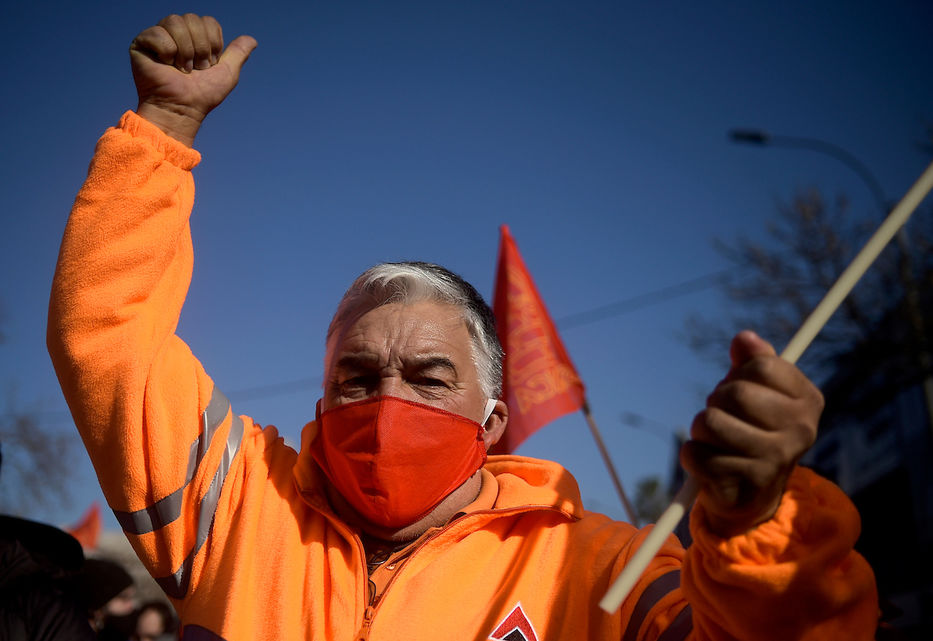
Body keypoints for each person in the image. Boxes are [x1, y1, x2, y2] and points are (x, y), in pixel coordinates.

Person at [47, 13, 879, 641]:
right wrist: (162, 132)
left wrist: (754, 524)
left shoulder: (605, 574)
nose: (386, 398)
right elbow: (107, 336)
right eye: (357, 377)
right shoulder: (232, 505)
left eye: (429, 375)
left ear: (494, 418)